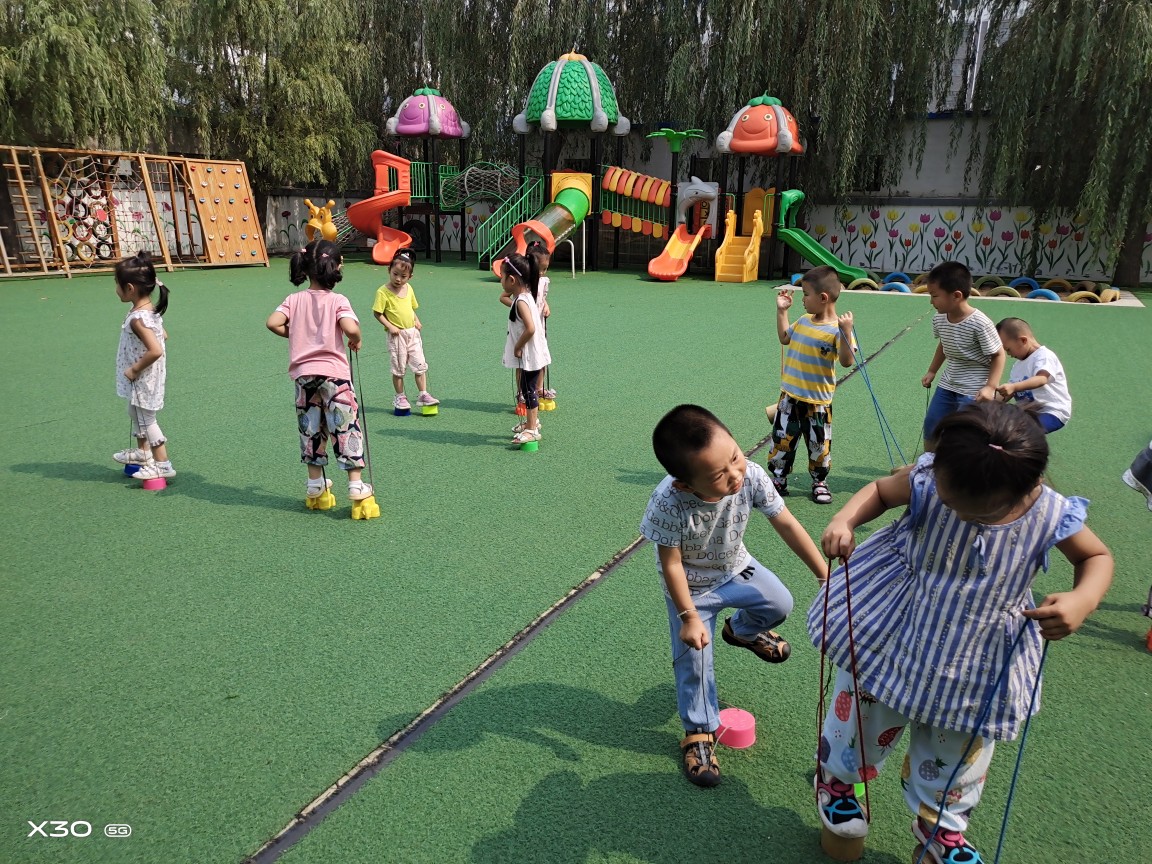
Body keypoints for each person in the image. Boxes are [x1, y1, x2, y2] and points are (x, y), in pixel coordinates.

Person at [811, 400, 1112, 863]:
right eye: (946, 495)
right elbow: (881, 491)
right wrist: (844, 519)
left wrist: (1082, 599)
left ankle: (940, 825)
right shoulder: (930, 476)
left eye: (975, 511)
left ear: (1025, 488)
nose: (950, 506)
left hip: (977, 652)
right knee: (864, 714)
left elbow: (1096, 556)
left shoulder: (1051, 512)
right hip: (895, 626)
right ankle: (838, 782)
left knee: (959, 742)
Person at [640, 405, 827, 788]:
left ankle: (741, 631)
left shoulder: (751, 475)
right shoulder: (668, 501)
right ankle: (699, 731)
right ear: (685, 485)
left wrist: (824, 575)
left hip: (735, 566)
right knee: (694, 661)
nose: (735, 474)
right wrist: (689, 616)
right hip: (690, 589)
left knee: (779, 602)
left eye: (736, 457)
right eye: (718, 475)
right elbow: (671, 564)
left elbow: (787, 524)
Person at [266, 240, 372, 503]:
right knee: (344, 424)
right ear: (336, 267)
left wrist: (296, 333)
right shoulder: (337, 300)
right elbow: (350, 328)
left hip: (304, 375)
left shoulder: (294, 300)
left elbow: (273, 323)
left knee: (311, 427)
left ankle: (315, 483)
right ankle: (355, 485)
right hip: (334, 375)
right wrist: (356, 339)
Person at [765, 265, 856, 503]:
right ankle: (778, 479)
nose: (803, 299)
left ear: (823, 298)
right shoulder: (804, 321)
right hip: (789, 397)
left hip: (818, 402)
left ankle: (819, 481)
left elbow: (847, 361)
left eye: (806, 294)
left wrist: (846, 332)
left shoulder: (837, 329)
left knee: (819, 445)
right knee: (782, 441)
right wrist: (782, 311)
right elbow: (784, 337)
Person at [921, 261, 1005, 442]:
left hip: (974, 388)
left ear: (956, 296)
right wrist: (932, 371)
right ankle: (930, 459)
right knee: (932, 424)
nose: (931, 301)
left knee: (963, 431)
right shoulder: (939, 318)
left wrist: (991, 387)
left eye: (934, 296)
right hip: (948, 383)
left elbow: (998, 354)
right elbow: (944, 344)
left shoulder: (980, 323)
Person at [112, 252, 175, 480]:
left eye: (117, 285)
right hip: (146, 376)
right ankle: (143, 453)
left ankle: (163, 465)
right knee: (134, 410)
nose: (116, 290)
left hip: (144, 377)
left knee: (147, 419)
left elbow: (155, 349)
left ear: (130, 288)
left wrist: (135, 369)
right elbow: (163, 336)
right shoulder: (149, 312)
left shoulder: (138, 318)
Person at [372, 248, 439, 411]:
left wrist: (416, 320)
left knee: (420, 364)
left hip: (412, 334)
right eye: (395, 274)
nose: (398, 279)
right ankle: (400, 396)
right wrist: (390, 326)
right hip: (397, 336)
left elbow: (410, 308)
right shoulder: (383, 292)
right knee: (399, 368)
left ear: (410, 277)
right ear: (389, 270)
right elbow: (377, 313)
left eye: (403, 276)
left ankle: (423, 394)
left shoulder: (408, 289)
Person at [501, 252, 551, 446]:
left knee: (529, 391)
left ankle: (532, 430)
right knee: (527, 388)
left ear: (512, 280)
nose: (501, 282)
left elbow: (530, 328)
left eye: (502, 277)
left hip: (530, 355)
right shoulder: (525, 296)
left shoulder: (521, 301)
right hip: (532, 354)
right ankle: (532, 422)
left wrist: (518, 346)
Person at [994, 317, 1071, 433]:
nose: (1008, 354)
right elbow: (1009, 392)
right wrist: (989, 403)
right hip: (1028, 413)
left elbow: (1041, 379)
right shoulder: (1017, 366)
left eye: (1008, 349)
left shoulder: (1044, 356)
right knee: (1001, 428)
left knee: (1022, 432)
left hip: (1052, 411)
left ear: (1023, 340)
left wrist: (1013, 387)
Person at [501, 241, 555, 403]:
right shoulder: (524, 284)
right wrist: (520, 309)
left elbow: (542, 298)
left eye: (545, 269)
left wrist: (546, 306)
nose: (542, 272)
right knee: (522, 361)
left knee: (541, 356)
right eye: (540, 268)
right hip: (525, 327)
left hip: (539, 325)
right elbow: (503, 297)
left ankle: (539, 388)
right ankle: (521, 392)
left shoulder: (543, 281)